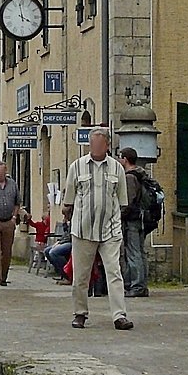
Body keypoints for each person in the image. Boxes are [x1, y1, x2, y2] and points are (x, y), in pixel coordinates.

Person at [62, 126, 133, 330]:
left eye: (100, 144)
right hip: (83, 229)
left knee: (114, 272)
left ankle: (119, 315)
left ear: (107, 145)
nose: (96, 147)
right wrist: (68, 215)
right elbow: (69, 199)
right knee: (81, 275)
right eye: (93, 144)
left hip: (110, 229)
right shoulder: (77, 167)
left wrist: (116, 221)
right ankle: (80, 313)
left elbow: (122, 200)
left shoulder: (117, 168)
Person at [118, 147, 149, 298]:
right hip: (140, 218)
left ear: (125, 159)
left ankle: (137, 285)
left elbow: (128, 201)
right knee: (140, 252)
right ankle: (141, 284)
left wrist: (120, 215)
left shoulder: (130, 177)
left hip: (132, 220)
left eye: (120, 157)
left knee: (133, 253)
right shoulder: (140, 174)